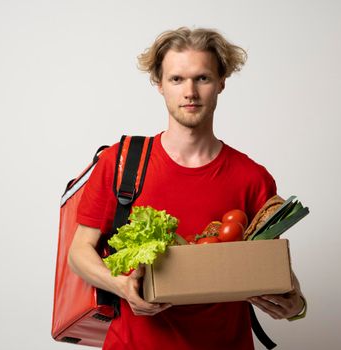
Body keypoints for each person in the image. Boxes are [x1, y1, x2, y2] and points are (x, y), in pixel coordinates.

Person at [68, 27, 306, 350]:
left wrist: (296, 305)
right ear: (159, 84)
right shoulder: (121, 163)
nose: (190, 92)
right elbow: (79, 251)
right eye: (177, 79)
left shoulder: (252, 178)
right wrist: (121, 286)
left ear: (221, 82)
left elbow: (268, 267)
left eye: (202, 78)